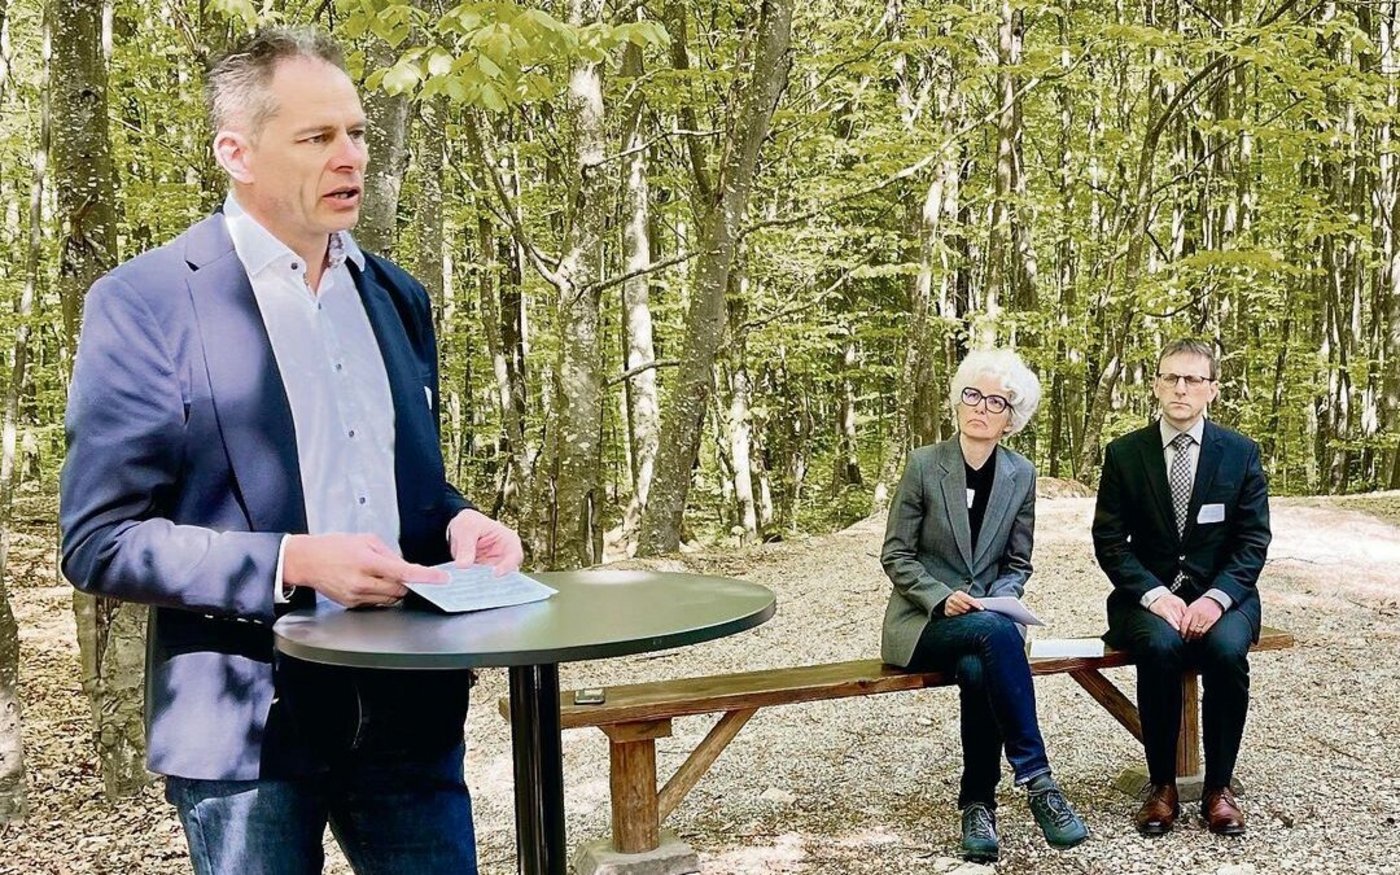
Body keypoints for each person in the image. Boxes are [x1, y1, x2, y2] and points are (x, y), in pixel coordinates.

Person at [58, 26, 522, 874]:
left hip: (409, 715)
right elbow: (99, 541)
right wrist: (294, 561)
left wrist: (459, 521)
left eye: (356, 132)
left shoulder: (397, 297)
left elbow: (406, 486)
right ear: (236, 151)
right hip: (246, 730)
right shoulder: (147, 303)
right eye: (317, 138)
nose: (350, 156)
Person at [881, 348, 1089, 863]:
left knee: (980, 667)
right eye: (973, 395)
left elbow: (1019, 562)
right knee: (995, 636)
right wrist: (939, 596)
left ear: (1010, 419)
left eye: (996, 402)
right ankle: (1039, 783)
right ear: (958, 400)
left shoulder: (1021, 474)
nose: (981, 408)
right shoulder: (924, 465)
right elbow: (896, 553)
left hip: (987, 626)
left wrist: (1004, 598)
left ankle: (978, 806)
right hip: (924, 624)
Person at [1092, 338, 1271, 837]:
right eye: (1170, 377)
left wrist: (1216, 599)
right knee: (1161, 646)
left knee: (1227, 650)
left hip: (1225, 596)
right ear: (1155, 385)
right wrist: (1155, 595)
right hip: (1145, 599)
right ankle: (1163, 786)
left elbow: (1252, 542)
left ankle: (1218, 788)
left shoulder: (1240, 453)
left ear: (1211, 389)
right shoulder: (1126, 454)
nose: (1181, 388)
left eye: (1193, 379)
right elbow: (1109, 539)